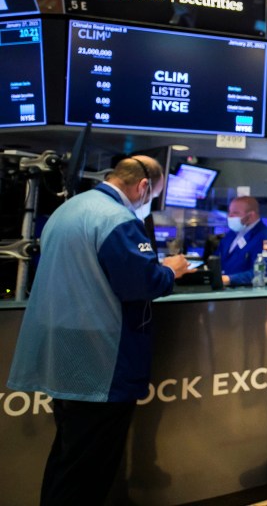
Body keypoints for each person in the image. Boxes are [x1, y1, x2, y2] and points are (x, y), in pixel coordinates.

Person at [6, 155, 190, 505]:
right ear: (142, 187)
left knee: (68, 458)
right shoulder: (118, 219)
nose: (150, 205)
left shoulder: (68, 210)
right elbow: (141, 283)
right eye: (154, 196)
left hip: (67, 353)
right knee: (89, 471)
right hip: (101, 361)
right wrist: (170, 270)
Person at [215, 195, 267, 286]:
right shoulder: (231, 235)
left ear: (251, 215)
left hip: (248, 294)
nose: (230, 216)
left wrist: (230, 279)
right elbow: (217, 260)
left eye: (235, 213)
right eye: (229, 212)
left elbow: (266, 271)